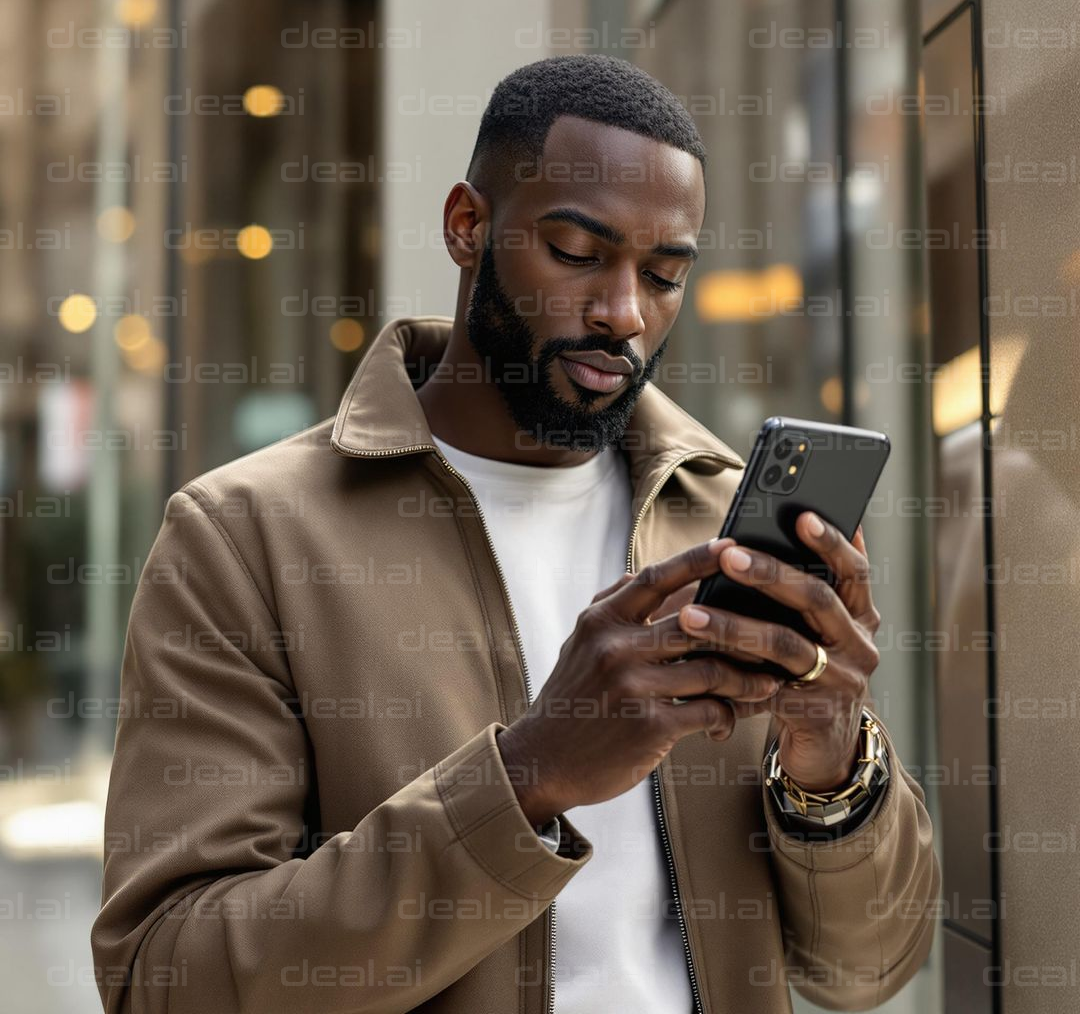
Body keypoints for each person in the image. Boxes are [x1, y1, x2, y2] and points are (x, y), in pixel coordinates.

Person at [91, 54, 940, 1014]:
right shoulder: (246, 539)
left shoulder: (722, 528)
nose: (623, 313)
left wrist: (829, 756)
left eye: (664, 276)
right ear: (468, 226)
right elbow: (166, 978)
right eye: (579, 253)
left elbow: (866, 970)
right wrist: (529, 776)